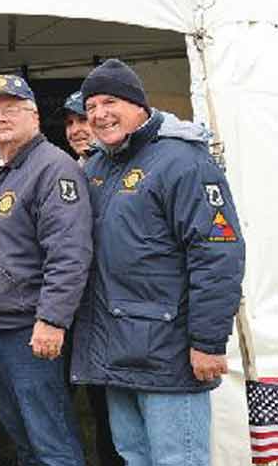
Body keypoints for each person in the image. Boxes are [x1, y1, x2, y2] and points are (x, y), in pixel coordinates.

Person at [71, 59, 245, 465]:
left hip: (169, 355)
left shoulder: (183, 161)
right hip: (116, 353)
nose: (98, 114)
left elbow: (217, 254)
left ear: (138, 105)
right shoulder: (96, 166)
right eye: (91, 106)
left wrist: (207, 341)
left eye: (110, 101)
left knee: (178, 459)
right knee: (134, 457)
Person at [0, 75, 91, 466]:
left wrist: (51, 319)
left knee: (50, 440)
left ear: (34, 115)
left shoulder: (52, 168)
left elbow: (69, 253)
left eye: (10, 109)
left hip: (31, 329)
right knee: (22, 437)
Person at [53, 89, 121, 466]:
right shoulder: (72, 168)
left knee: (117, 412)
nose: (78, 129)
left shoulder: (114, 168)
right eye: (72, 122)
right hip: (80, 309)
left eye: (83, 119)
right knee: (97, 405)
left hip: (113, 307)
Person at [59, 91, 94, 162]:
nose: (74, 130)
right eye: (69, 123)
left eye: (83, 120)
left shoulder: (120, 167)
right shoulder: (74, 168)